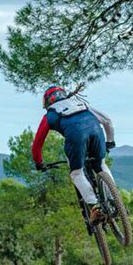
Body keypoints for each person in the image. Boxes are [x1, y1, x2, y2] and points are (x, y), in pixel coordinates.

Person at [31, 85, 116, 223]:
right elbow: (107, 120)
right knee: (100, 163)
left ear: (48, 102)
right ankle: (114, 200)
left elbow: (37, 144)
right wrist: (110, 141)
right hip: (96, 130)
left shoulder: (50, 115)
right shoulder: (81, 103)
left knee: (76, 173)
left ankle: (94, 206)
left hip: (76, 135)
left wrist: (39, 163)